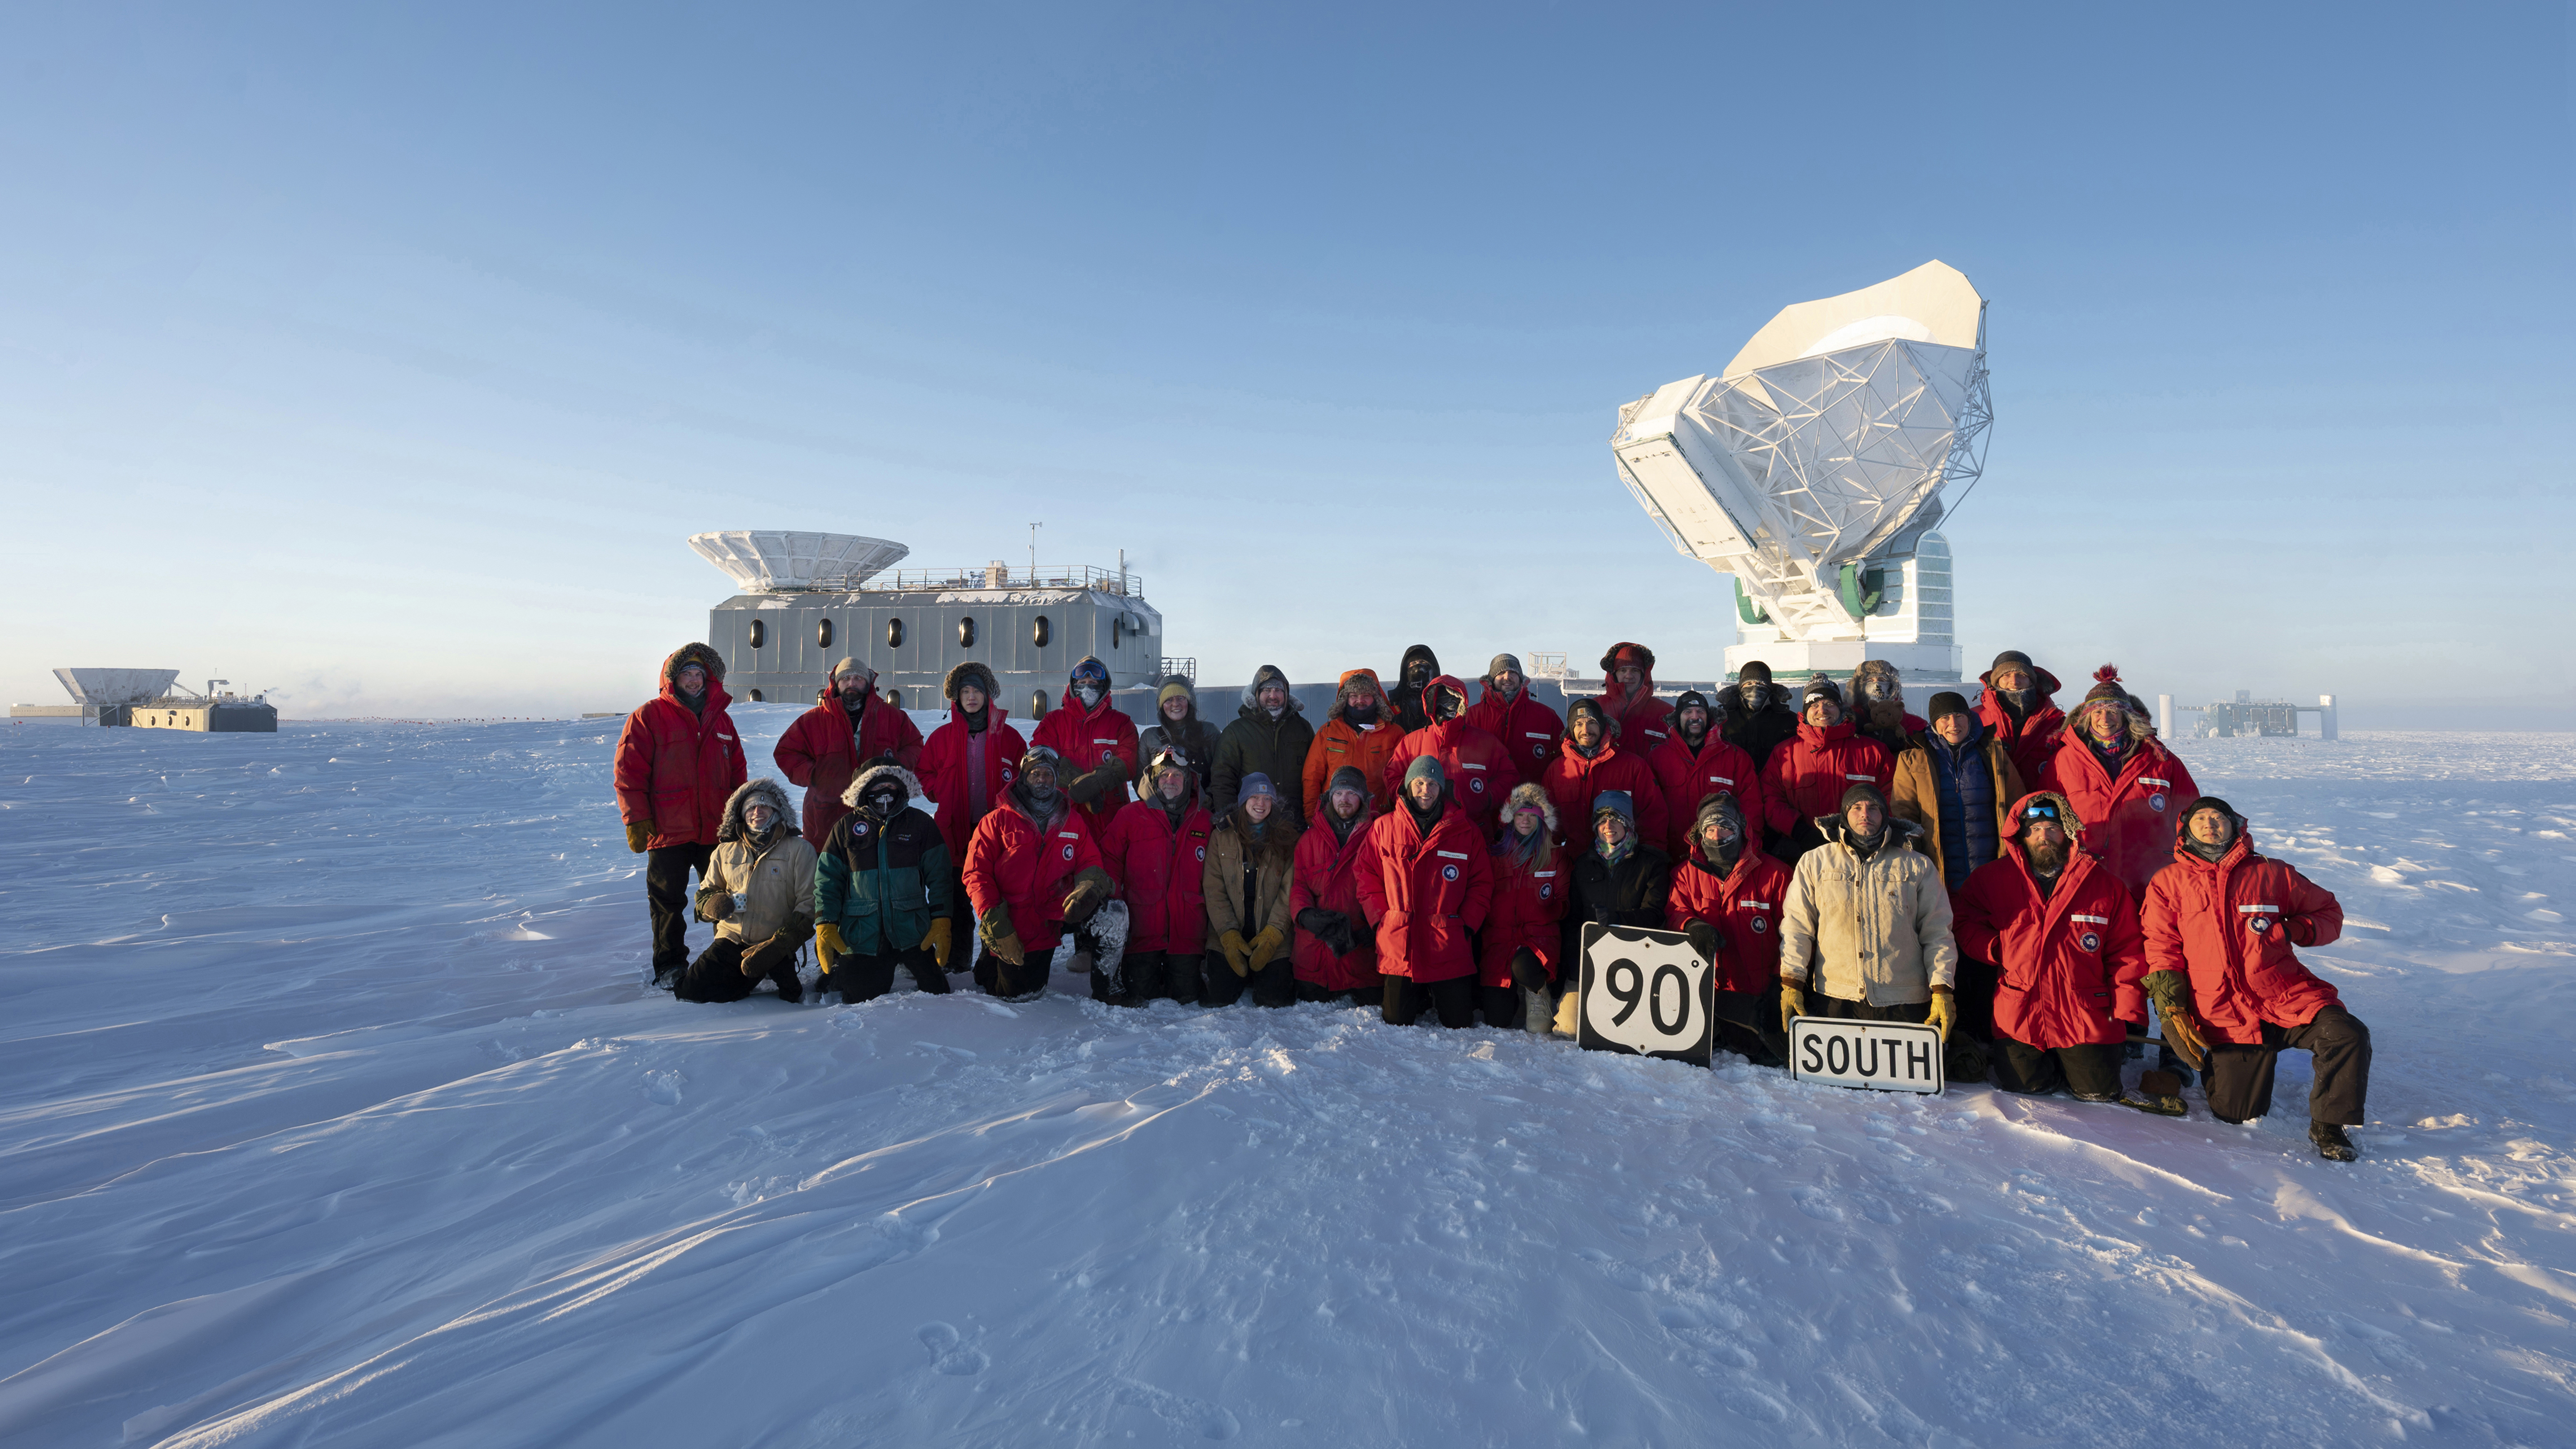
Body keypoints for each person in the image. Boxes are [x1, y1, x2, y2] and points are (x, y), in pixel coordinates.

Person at [2135, 798, 2368, 1161]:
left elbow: (2329, 912)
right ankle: (2236, 1062)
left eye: (2218, 818)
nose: (2210, 824)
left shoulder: (2271, 873)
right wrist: (2169, 1006)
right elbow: (2161, 948)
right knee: (2237, 1112)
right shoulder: (2169, 882)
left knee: (2346, 1034)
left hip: (2284, 994)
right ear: (2185, 831)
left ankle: (2329, 1126)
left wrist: (2296, 929)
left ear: (2235, 826)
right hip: (2224, 1011)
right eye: (2200, 819)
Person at [1953, 793, 2176, 1107]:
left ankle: (2079, 1061)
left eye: (2052, 828)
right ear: (2021, 836)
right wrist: (1995, 948)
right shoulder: (1992, 879)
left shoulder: (2104, 885)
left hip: (2084, 1012)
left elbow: (2127, 952)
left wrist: (2125, 1010)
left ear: (2068, 832)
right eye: (2034, 830)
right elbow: (1965, 921)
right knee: (2025, 1088)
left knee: (2097, 1092)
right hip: (2021, 1011)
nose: (2043, 836)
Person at [616, 643, 749, 988]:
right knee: (667, 904)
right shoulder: (648, 716)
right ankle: (670, 965)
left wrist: (740, 817)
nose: (693, 681)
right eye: (687, 674)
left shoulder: (722, 720)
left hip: (717, 831)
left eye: (698, 675)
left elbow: (738, 771)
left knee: (730, 898)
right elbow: (630, 773)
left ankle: (731, 957)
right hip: (668, 831)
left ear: (709, 679)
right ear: (672, 679)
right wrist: (636, 820)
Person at [1778, 784, 1958, 1038]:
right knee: (1833, 1081)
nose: (1865, 814)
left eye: (1874, 808)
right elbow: (1797, 927)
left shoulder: (1917, 865)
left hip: (1904, 1000)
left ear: (1885, 816)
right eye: (1857, 808)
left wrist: (1942, 988)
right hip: (1836, 998)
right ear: (1844, 815)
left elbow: (1938, 931)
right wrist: (1792, 982)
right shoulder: (1815, 862)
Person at [962, 746, 1114, 999]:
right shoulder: (997, 820)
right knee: (1018, 995)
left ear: (1056, 779)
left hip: (1055, 915)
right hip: (1012, 918)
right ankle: (991, 952)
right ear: (1024, 777)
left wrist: (1088, 887)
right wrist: (996, 923)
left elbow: (1090, 860)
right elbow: (976, 874)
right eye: (1035, 774)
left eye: (1048, 774)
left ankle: (1108, 990)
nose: (1042, 780)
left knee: (1114, 913)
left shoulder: (1072, 820)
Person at [2040, 665, 2200, 900]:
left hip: (2150, 881)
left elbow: (2192, 816)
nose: (2105, 719)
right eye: (2097, 712)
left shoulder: (2160, 759)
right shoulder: (2063, 761)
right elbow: (2044, 820)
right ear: (2087, 717)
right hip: (2084, 878)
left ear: (2127, 715)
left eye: (2113, 711)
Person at [1358, 757, 1494, 1028]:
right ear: (1408, 786)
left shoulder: (1465, 831)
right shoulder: (1383, 827)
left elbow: (1482, 882)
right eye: (1419, 782)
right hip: (1400, 942)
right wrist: (1381, 918)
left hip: (1447, 941)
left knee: (1459, 1023)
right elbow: (1365, 874)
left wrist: (1466, 925)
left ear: (1441, 788)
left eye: (1432, 783)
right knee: (1396, 1020)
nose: (1425, 790)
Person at [1665, 792, 1794, 1066]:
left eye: (1725, 827)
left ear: (1740, 829)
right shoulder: (1684, 875)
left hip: (1757, 994)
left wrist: (1780, 986)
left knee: (1768, 1051)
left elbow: (1794, 936)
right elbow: (1675, 911)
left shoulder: (1777, 874)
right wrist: (1692, 924)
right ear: (1700, 833)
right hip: (1703, 993)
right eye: (1710, 829)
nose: (1718, 835)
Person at [812, 761, 955, 1002]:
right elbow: (827, 880)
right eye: (878, 786)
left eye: (890, 785)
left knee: (938, 992)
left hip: (912, 928)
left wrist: (941, 919)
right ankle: (844, 969)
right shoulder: (845, 828)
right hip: (864, 933)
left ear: (901, 787)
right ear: (864, 790)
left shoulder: (920, 824)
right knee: (858, 996)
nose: (885, 792)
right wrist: (826, 923)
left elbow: (940, 876)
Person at [675, 779, 816, 1004]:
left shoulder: (800, 850)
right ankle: (747, 980)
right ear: (742, 814)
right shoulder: (725, 851)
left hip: (776, 943)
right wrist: (712, 904)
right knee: (689, 991)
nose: (757, 812)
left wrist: (779, 945)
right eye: (751, 807)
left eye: (765, 806)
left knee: (790, 999)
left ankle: (772, 970)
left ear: (778, 812)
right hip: (732, 938)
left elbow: (809, 906)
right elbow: (705, 892)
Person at [775, 658, 927, 858]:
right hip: (826, 820)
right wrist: (815, 775)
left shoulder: (893, 717)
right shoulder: (814, 720)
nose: (852, 683)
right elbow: (786, 752)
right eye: (845, 678)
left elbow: (914, 745)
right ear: (836, 683)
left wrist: (896, 770)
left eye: (858, 678)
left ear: (868, 682)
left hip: (881, 816)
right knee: (828, 882)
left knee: (873, 878)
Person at [1097, 746, 1213, 1006]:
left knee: (1186, 996)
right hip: (1143, 931)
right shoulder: (1129, 816)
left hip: (1188, 934)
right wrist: (1115, 901)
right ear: (1153, 779)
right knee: (1141, 994)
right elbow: (1109, 860)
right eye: (1164, 776)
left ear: (1189, 781)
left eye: (1177, 776)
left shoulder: (1206, 821)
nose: (1170, 781)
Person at [1558, 789, 1673, 1035]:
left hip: (1637, 964)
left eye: (1617, 819)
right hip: (1588, 964)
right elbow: (1573, 919)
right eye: (1602, 820)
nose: (1608, 826)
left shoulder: (1652, 865)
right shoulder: (1582, 864)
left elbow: (1655, 915)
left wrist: (1619, 920)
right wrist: (1574, 970)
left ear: (1629, 823)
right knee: (1569, 1029)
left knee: (1630, 1032)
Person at [1890, 691, 2026, 894]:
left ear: (1969, 719)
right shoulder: (1913, 760)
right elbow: (1904, 815)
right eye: (1945, 718)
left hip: (1991, 868)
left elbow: (2018, 805)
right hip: (1939, 874)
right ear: (1934, 723)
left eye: (1960, 716)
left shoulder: (1993, 753)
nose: (1954, 724)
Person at [1762, 675, 1894, 861]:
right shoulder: (1784, 753)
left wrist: (1866, 833)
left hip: (1863, 852)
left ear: (1840, 708)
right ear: (1806, 711)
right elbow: (1771, 798)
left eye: (1829, 703)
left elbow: (1893, 796)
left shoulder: (1874, 751)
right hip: (1802, 852)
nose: (1822, 710)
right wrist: (1799, 831)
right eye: (1814, 705)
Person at [917, 661, 1028, 870]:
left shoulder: (1009, 736)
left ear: (987, 695)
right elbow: (924, 772)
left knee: (992, 895)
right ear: (957, 697)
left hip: (998, 833)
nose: (971, 697)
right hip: (952, 833)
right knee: (954, 896)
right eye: (965, 691)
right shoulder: (941, 738)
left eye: (978, 691)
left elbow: (1025, 774)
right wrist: (940, 790)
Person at [1290, 765, 1384, 1006]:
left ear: (1363, 799)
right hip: (1317, 956)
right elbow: (1299, 884)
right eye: (1339, 793)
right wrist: (1304, 914)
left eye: (1352, 793)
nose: (1344, 799)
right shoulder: (1310, 839)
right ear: (1329, 797)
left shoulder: (1379, 836)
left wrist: (1375, 929)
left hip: (1361, 953)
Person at [1202, 773, 1298, 1007]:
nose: (1261, 804)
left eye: (1267, 798)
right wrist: (1227, 933)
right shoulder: (1221, 835)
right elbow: (1214, 887)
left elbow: (1290, 889)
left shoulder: (1287, 837)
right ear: (1244, 800)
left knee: (1273, 1000)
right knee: (1218, 997)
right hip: (1229, 934)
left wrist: (1274, 934)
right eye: (1254, 797)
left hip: (1271, 936)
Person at [1477, 783, 1566, 1031]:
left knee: (1524, 965)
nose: (1525, 820)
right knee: (1497, 1021)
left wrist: (1552, 909)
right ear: (1511, 818)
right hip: (1500, 939)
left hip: (1538, 938)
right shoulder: (1495, 855)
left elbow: (1565, 901)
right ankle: (1516, 995)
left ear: (1542, 819)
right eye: (1520, 815)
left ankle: (1538, 994)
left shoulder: (1556, 855)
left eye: (1532, 815)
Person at [1383, 674, 1517, 834]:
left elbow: (1509, 775)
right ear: (1432, 704)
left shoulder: (1486, 742)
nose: (1448, 707)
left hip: (1474, 831)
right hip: (1423, 832)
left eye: (1454, 701)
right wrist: (1410, 799)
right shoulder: (1411, 742)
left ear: (1462, 703)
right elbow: (1392, 775)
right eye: (1442, 701)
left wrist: (1487, 797)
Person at [1650, 690, 1766, 863]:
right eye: (1688, 712)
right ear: (1678, 717)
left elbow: (1752, 809)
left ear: (1709, 716)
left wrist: (1748, 848)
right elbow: (1649, 810)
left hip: (1722, 859)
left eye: (1701, 712)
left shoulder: (1735, 757)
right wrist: (1654, 853)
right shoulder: (1658, 757)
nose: (1695, 717)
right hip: (1672, 858)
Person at [1029, 656, 1139, 834]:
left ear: (1104, 687)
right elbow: (1042, 757)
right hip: (1062, 817)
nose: (1087, 687)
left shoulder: (1122, 723)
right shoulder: (1053, 722)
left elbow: (1128, 762)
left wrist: (1098, 782)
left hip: (1111, 820)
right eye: (1082, 682)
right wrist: (1075, 781)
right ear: (1073, 686)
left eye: (1094, 682)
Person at [1542, 698, 1666, 852]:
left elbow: (1653, 816)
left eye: (1592, 723)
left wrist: (1650, 857)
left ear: (1602, 725)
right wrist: (1549, 858)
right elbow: (1549, 824)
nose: (1586, 730)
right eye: (1579, 724)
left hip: (1622, 862)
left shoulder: (1633, 766)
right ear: (1571, 729)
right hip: (1573, 863)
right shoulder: (1557, 770)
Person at [1212, 665, 1315, 824]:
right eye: (1267, 690)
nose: (1273, 695)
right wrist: (1231, 819)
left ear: (1286, 693)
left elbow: (1314, 776)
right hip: (1252, 825)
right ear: (1257, 693)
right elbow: (1222, 780)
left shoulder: (1303, 729)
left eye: (1278, 690)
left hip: (1294, 825)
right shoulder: (1236, 731)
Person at [1302, 669, 1402, 817]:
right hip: (1335, 818)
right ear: (1345, 699)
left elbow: (1403, 780)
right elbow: (1311, 778)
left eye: (1366, 696)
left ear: (1376, 699)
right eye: (1354, 696)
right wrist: (1313, 818)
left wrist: (1397, 818)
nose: (1360, 701)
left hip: (1378, 818)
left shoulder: (1395, 734)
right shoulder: (1328, 733)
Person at [1465, 653, 1564, 785]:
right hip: (1486, 801)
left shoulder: (1547, 716)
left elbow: (1563, 761)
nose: (1507, 677)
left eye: (1513, 672)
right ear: (1491, 680)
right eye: (1501, 673)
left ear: (1520, 678)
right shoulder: (1471, 717)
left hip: (1531, 802)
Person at [1976, 651, 2066, 788]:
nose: (2014, 681)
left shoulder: (2058, 724)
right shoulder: (1974, 720)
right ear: (1995, 681)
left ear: (2032, 680)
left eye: (2022, 675)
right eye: (2006, 675)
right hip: (1990, 807)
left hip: (2042, 807)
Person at [1135, 678, 1219, 798]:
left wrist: (1208, 801)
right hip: (1161, 813)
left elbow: (1221, 774)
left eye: (1181, 698)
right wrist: (1154, 804)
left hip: (1202, 811)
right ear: (1161, 705)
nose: (1175, 704)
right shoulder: (1150, 737)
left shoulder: (1209, 732)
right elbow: (1141, 779)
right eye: (1169, 700)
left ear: (1190, 702)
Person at [1591, 642, 1673, 753]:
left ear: (1644, 675)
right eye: (1623, 670)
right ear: (1614, 674)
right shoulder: (1595, 708)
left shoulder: (1666, 713)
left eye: (1635, 670)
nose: (1629, 676)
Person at [1723, 661, 1801, 773]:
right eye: (1749, 684)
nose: (1754, 689)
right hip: (1734, 787)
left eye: (1761, 684)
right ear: (1741, 687)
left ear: (1770, 688)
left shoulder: (1790, 721)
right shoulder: (1724, 719)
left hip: (1774, 787)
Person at [1847, 660, 1927, 757]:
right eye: (1870, 681)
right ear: (1861, 687)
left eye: (1882, 680)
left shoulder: (1915, 724)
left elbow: (1922, 761)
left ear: (1892, 686)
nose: (1877, 686)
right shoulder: (1848, 720)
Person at [1388, 644, 1442, 733]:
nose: (1418, 669)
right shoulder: (1395, 703)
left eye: (1424, 663)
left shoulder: (1445, 700)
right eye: (1413, 664)